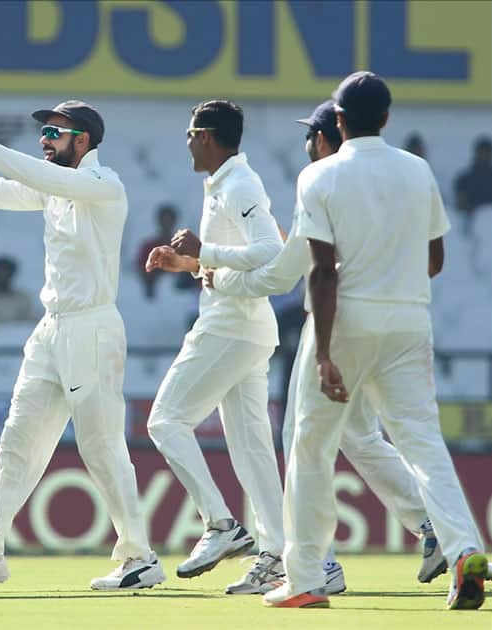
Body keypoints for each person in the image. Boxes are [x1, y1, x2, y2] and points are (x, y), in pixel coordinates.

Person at [203, 99, 447, 595]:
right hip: (393, 325)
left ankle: (317, 565)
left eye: (310, 136)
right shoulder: (388, 182)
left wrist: (213, 274)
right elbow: (429, 258)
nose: (306, 146)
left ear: (326, 137)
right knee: (358, 436)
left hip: (336, 332)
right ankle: (432, 525)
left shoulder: (322, 186)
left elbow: (279, 274)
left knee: (302, 439)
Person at [265, 71, 487, 610]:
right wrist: (395, 281)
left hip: (348, 323)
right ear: (386, 118)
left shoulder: (319, 177)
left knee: (311, 446)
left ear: (338, 121)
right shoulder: (418, 170)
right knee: (423, 442)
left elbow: (321, 273)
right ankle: (464, 550)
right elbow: (435, 259)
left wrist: (321, 353)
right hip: (411, 321)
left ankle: (306, 579)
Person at [0, 83, 165, 592]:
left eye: (53, 133)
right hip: (51, 328)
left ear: (82, 142)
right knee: (17, 441)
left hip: (92, 326)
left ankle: (139, 556)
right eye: (43, 132)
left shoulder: (104, 184)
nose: (45, 140)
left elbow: (29, 172)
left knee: (101, 446)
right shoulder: (54, 186)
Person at [144, 100, 286, 595]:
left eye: (189, 134)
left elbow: (272, 250)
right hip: (244, 329)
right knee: (252, 452)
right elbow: (233, 262)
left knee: (164, 420)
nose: (185, 142)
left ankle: (221, 524)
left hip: (231, 328)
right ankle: (279, 555)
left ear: (206, 136)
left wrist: (205, 251)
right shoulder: (224, 183)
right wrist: (190, 265)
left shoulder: (239, 184)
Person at [135, 204, 181, 299]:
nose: (167, 224)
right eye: (164, 220)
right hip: (155, 296)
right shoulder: (149, 247)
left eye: (169, 220)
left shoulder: (182, 247)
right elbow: (142, 270)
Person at [453, 136, 492, 228]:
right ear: (476, 153)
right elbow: (460, 205)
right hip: (470, 225)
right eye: (482, 152)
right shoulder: (464, 179)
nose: (484, 156)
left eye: (487, 153)